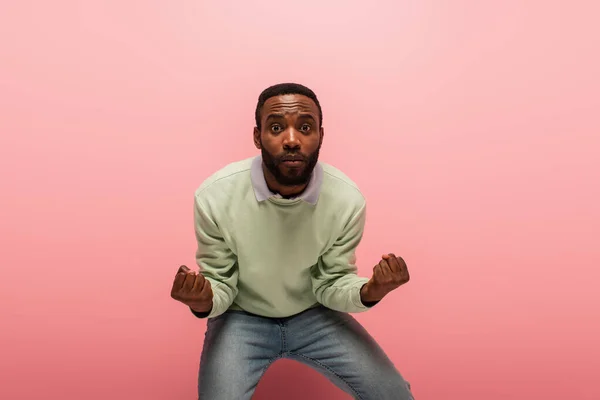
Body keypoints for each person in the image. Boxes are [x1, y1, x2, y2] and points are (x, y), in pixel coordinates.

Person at [171, 83, 415, 400]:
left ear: (321, 136)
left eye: (305, 127)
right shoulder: (214, 196)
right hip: (240, 317)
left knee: (394, 394)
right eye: (276, 127)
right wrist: (202, 300)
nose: (291, 140)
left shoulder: (346, 200)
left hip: (313, 314)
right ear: (258, 136)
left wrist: (372, 290)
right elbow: (221, 282)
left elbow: (332, 282)